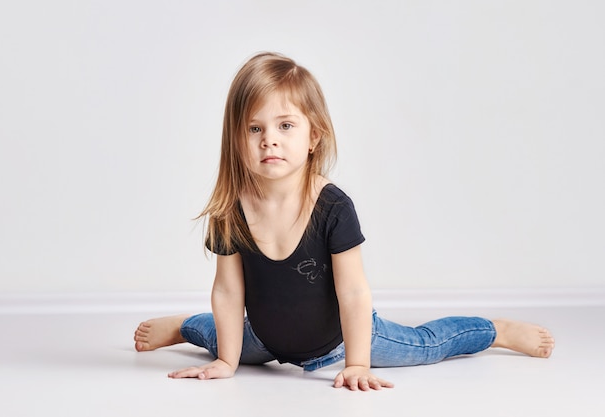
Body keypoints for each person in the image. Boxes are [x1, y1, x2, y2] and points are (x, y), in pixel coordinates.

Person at [134, 52, 555, 391]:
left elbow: (353, 292)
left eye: (285, 125)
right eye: (254, 128)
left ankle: (494, 330)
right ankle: (185, 326)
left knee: (428, 345)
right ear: (236, 138)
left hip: (341, 342)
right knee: (216, 333)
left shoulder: (332, 207)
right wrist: (227, 361)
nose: (269, 139)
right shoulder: (231, 209)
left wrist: (357, 363)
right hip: (265, 338)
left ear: (313, 136)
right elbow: (227, 292)